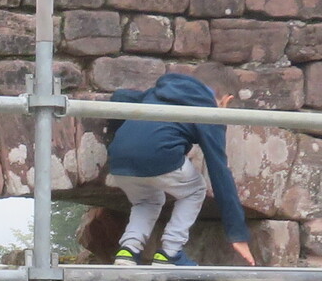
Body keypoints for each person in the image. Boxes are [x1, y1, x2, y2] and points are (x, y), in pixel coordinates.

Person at [99, 71, 259, 267]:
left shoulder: (159, 92)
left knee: (147, 200)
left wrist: (118, 135)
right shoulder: (208, 109)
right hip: (159, 155)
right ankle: (170, 253)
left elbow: (120, 96)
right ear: (227, 100)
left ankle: (128, 250)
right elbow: (219, 171)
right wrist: (237, 234)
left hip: (119, 159)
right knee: (195, 190)